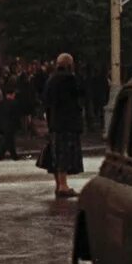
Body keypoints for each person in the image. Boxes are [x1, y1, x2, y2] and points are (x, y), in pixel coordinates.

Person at [41, 52, 88, 204]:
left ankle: (59, 184)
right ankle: (63, 186)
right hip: (68, 123)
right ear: (69, 65)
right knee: (65, 154)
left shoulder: (51, 80)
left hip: (54, 122)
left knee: (56, 154)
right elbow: (81, 93)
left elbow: (46, 100)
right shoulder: (70, 79)